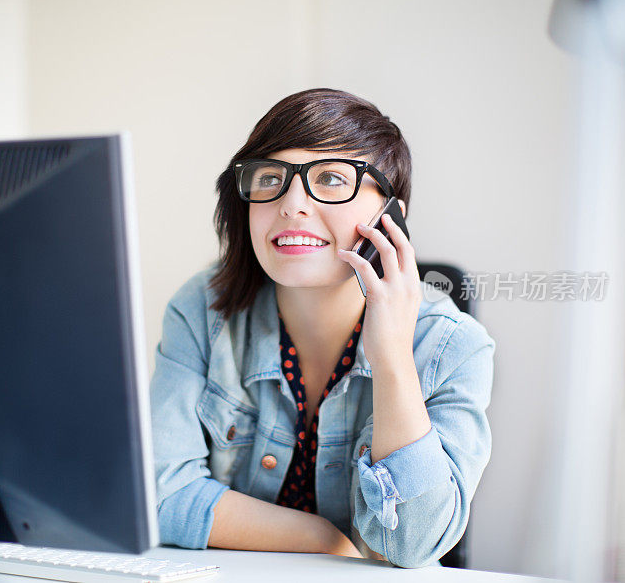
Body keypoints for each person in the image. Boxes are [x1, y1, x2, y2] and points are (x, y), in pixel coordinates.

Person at [149, 88, 496, 568]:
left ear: (390, 214)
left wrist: (393, 357)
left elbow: (414, 543)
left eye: (331, 178)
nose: (291, 203)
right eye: (270, 177)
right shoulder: (203, 309)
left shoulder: (453, 345)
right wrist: (322, 539)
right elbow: (160, 495)